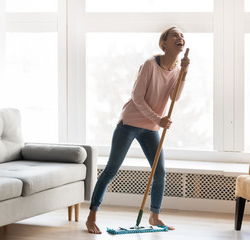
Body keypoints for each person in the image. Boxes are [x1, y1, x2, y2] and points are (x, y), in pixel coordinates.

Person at [86, 26, 190, 234]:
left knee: (159, 171)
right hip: (130, 123)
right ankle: (91, 216)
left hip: (151, 127)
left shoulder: (177, 70)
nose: (180, 37)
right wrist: (158, 119)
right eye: (175, 35)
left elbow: (175, 98)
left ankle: (155, 215)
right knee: (111, 170)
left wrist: (184, 73)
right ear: (164, 43)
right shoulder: (150, 65)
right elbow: (137, 97)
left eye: (182, 35)